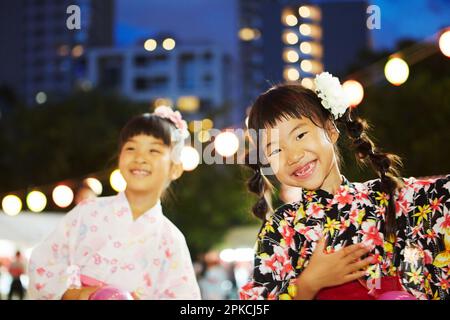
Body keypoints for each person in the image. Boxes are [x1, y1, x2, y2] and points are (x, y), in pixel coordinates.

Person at [240, 72, 449, 300]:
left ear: (331, 129)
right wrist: (309, 284)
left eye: (300, 135)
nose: (293, 156)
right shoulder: (281, 229)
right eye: (276, 150)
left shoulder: (394, 198)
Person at [28, 107, 201, 300]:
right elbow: (43, 262)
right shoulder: (88, 212)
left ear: (175, 168)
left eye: (154, 150)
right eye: (131, 148)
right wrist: (73, 294)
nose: (140, 157)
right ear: (119, 158)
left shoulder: (172, 240)